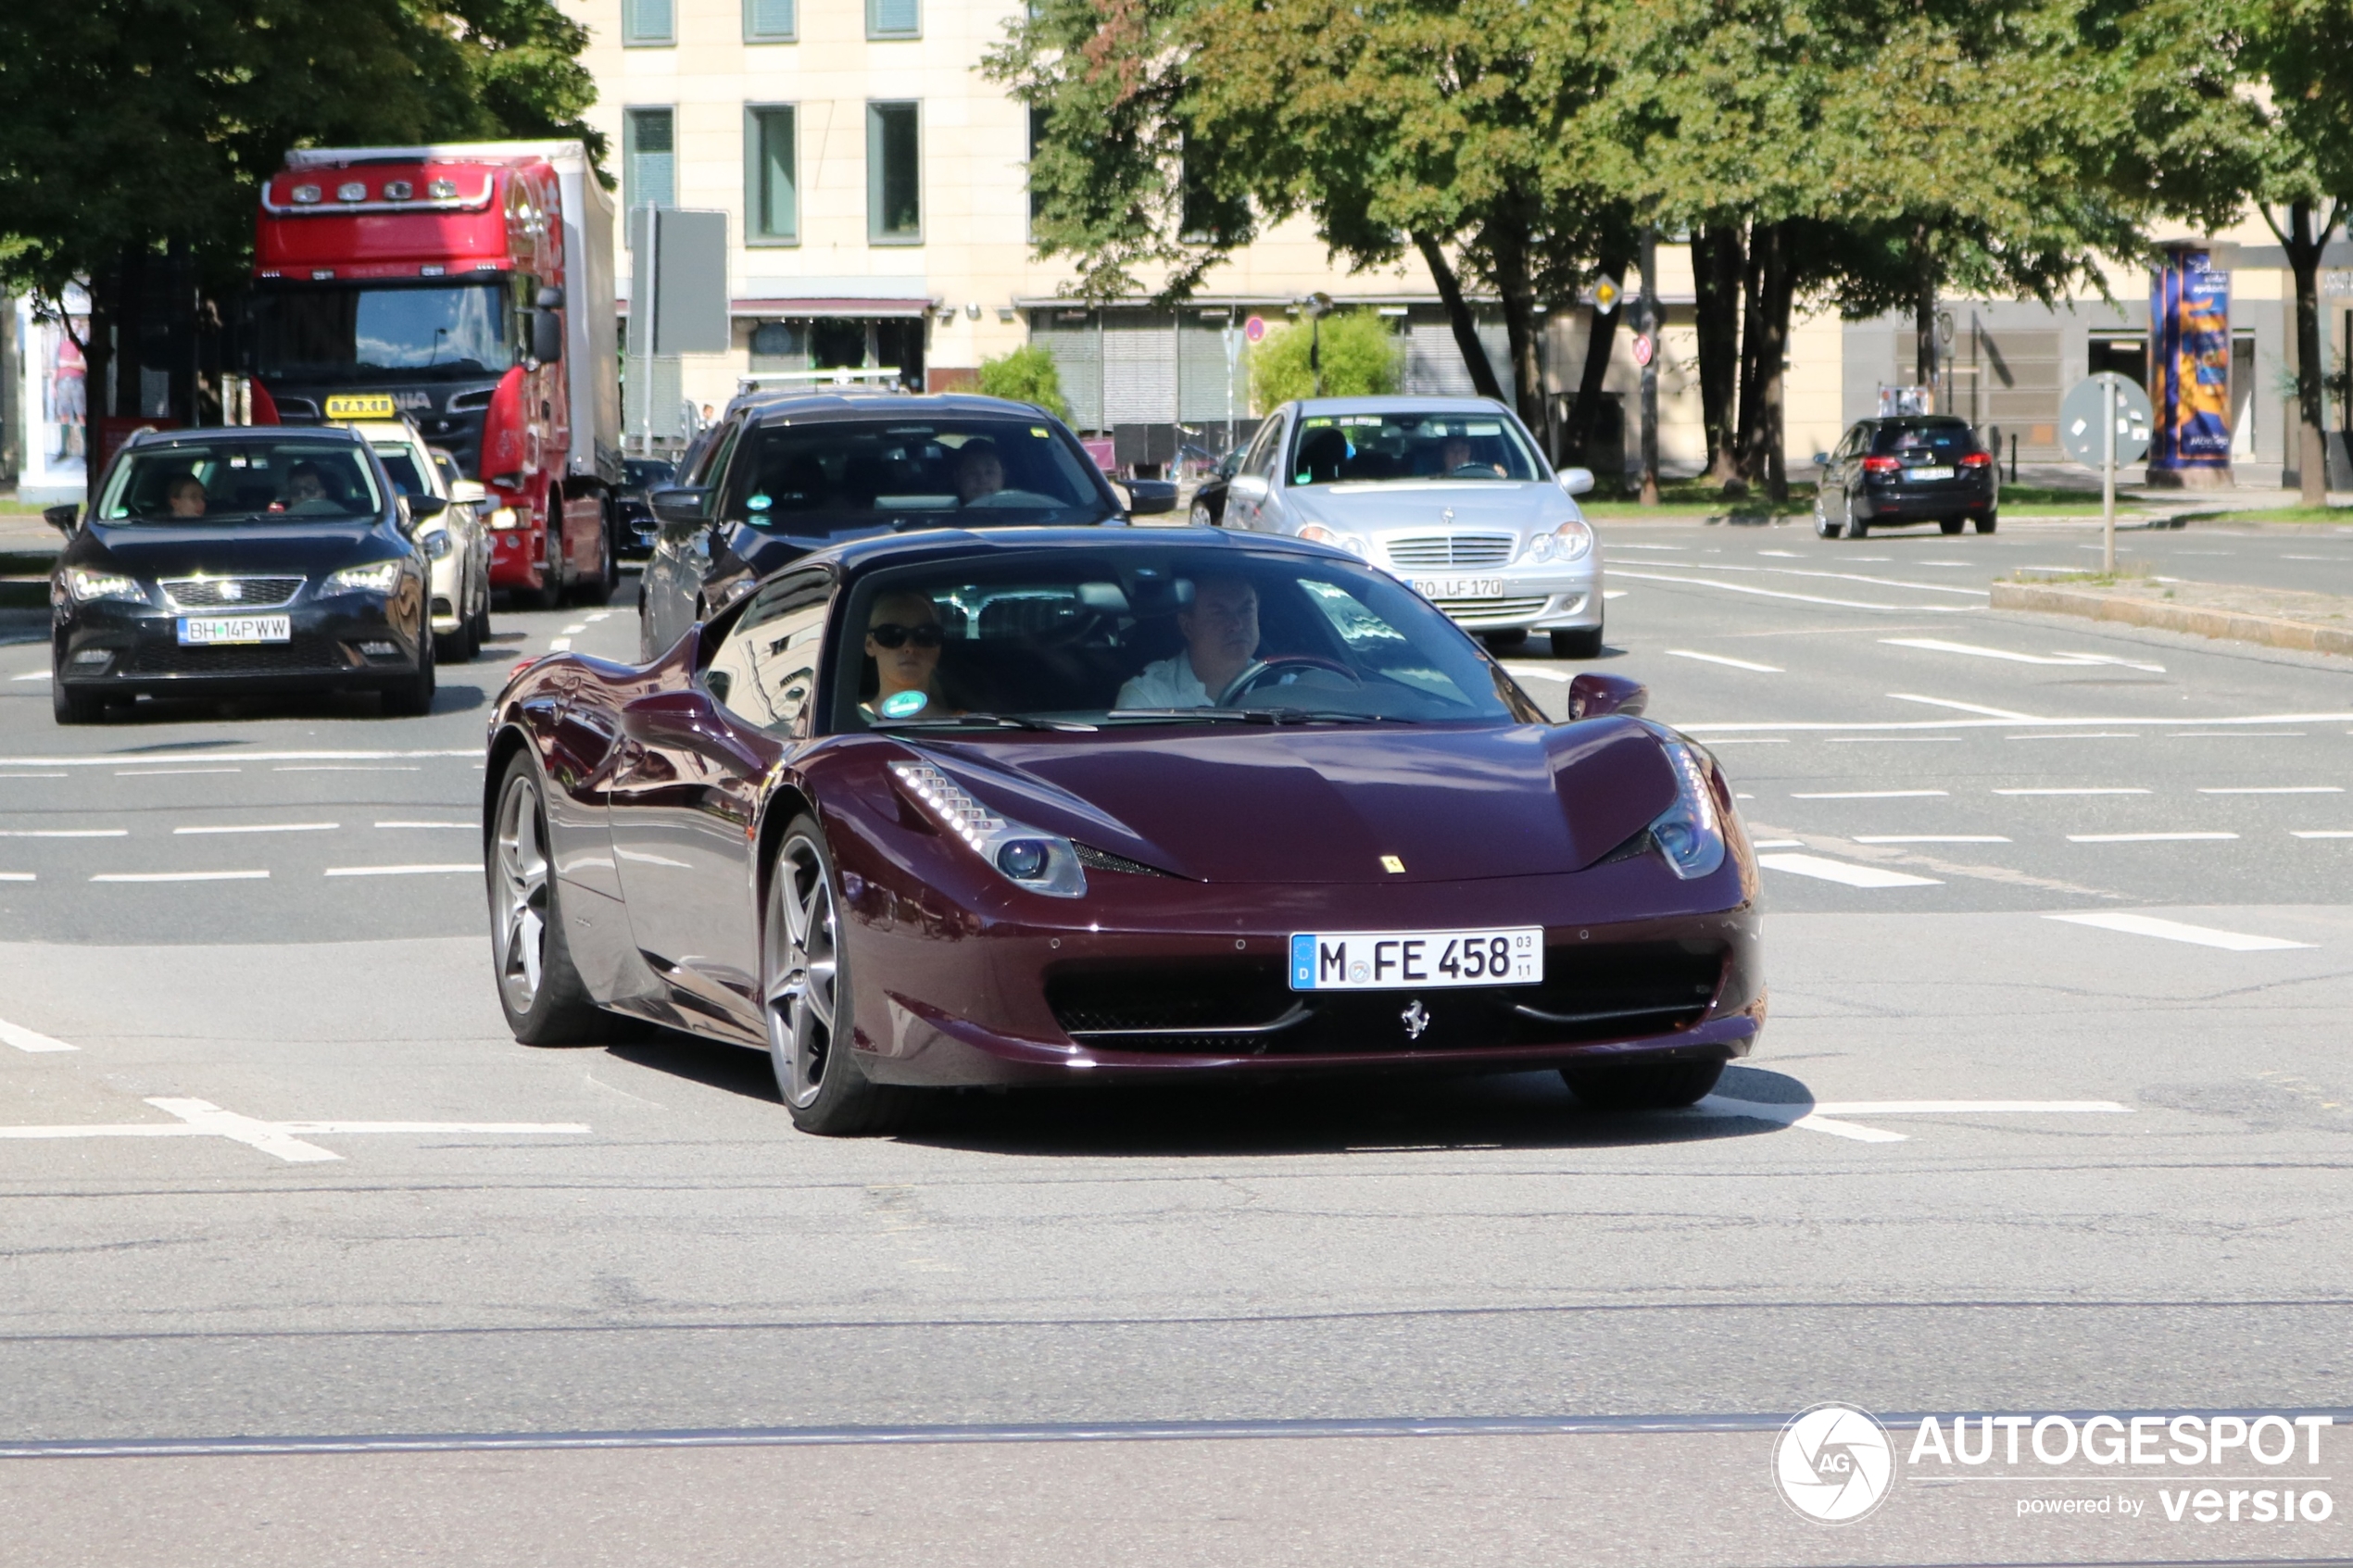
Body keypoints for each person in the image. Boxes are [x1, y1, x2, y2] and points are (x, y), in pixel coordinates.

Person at [1115, 575, 1260, 709]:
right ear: (1187, 626)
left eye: (1246, 610)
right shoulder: (1149, 698)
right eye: (1219, 612)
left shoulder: (1280, 686)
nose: (1237, 625)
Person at [861, 590, 953, 720]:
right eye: (891, 635)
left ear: (938, 646)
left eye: (925, 635)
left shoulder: (972, 729)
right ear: (869, 645)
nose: (909, 647)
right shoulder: (842, 723)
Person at [955, 440, 1005, 505]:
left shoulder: (1018, 510)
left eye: (989, 472)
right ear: (957, 478)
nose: (982, 480)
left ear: (1003, 477)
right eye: (972, 473)